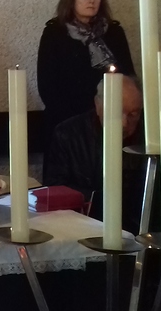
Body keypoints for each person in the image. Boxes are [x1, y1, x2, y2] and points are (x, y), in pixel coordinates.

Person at [37, 0, 135, 156]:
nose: (91, 1)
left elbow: (128, 76)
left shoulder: (113, 32)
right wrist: (75, 121)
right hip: (67, 121)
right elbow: (47, 84)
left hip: (110, 119)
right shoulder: (55, 33)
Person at [43, 75, 144, 231]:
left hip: (134, 229)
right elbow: (55, 188)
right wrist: (96, 199)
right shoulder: (69, 134)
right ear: (98, 105)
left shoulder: (150, 137)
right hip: (79, 226)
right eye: (117, 112)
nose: (124, 123)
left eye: (133, 114)